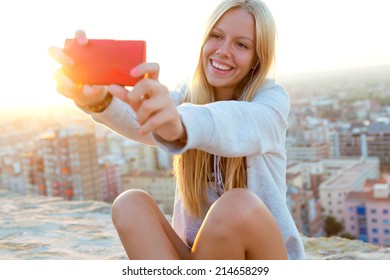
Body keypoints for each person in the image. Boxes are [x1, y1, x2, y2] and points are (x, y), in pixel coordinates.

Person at [49, 0, 305, 260]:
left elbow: (238, 122)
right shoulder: (187, 94)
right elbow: (142, 123)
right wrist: (98, 98)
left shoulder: (271, 101)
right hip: (199, 258)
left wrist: (179, 122)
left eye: (241, 44)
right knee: (130, 204)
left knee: (236, 206)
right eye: (216, 36)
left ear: (256, 58)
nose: (223, 50)